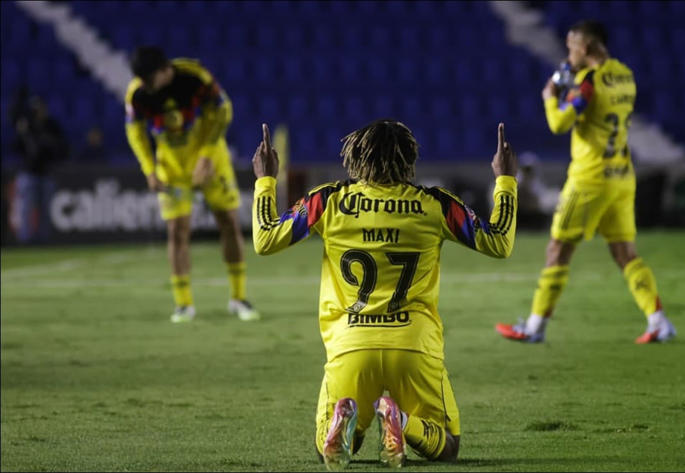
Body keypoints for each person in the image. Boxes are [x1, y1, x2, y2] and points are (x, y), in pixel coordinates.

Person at [251, 121, 518, 469]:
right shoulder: (434, 205)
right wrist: (505, 179)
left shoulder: (329, 201)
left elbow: (265, 239)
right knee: (448, 445)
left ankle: (347, 420)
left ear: (355, 158)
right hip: (414, 347)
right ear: (410, 159)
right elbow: (499, 241)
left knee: (328, 448)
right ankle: (401, 421)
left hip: (351, 347)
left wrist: (266, 180)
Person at [495, 20, 676, 344]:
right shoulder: (624, 75)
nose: (569, 53)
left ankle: (534, 327)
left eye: (572, 46)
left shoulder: (587, 83)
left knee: (558, 249)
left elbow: (559, 123)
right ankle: (658, 320)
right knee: (625, 252)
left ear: (587, 47)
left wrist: (550, 96)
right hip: (621, 176)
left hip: (590, 180)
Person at [124, 46, 259, 323]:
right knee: (177, 231)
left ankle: (239, 298)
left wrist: (207, 156)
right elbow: (135, 131)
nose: (145, 85)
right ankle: (183, 304)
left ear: (164, 70)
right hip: (172, 168)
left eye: (149, 79)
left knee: (229, 222)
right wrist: (149, 169)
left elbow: (223, 111)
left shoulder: (195, 77)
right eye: (141, 80)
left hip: (211, 161)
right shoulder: (137, 93)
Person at [10, 89, 69, 243]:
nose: (38, 112)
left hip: (46, 173)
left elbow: (61, 147)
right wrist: (23, 134)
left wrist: (45, 143)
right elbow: (17, 147)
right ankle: (25, 241)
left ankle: (44, 241)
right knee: (26, 209)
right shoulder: (27, 127)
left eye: (40, 108)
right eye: (35, 109)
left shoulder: (51, 125)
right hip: (29, 173)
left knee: (46, 210)